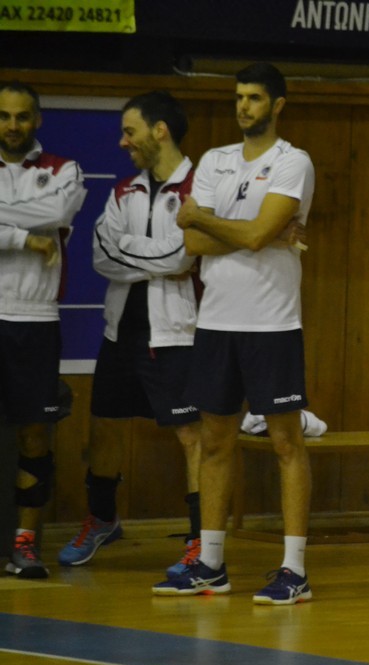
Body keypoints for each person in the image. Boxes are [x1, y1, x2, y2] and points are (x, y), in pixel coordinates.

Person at [152, 63, 315, 606]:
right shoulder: (214, 160)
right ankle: (211, 564)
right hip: (216, 322)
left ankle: (295, 570)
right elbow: (195, 244)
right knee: (216, 441)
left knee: (286, 443)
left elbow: (252, 234)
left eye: (254, 98)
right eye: (239, 97)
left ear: (277, 105)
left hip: (272, 323)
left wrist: (213, 221)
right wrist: (255, 234)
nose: (244, 106)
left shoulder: (292, 161)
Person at [57, 91, 203, 578]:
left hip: (179, 333)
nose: (123, 142)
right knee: (104, 426)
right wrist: (165, 258)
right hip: (121, 331)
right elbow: (102, 256)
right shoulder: (123, 190)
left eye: (130, 131)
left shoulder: (202, 186)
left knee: (192, 435)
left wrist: (139, 251)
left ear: (160, 130)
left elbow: (186, 254)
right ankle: (102, 520)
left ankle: (201, 542)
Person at [0, 81, 87, 579]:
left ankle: (26, 543)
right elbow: (41, 220)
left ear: (37, 120)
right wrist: (21, 237)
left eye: (22, 116)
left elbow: (56, 212)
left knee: (35, 434)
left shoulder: (63, 169)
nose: (12, 125)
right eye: (4, 115)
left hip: (35, 319)